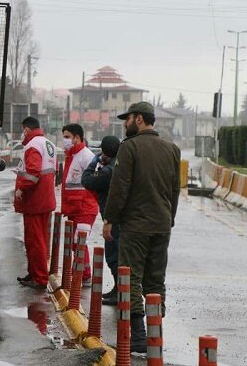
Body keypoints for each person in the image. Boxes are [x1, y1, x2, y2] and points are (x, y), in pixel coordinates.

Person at [102, 102, 180, 353]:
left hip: (135, 226)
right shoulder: (172, 149)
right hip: (161, 225)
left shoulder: (130, 148)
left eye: (127, 119)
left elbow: (119, 187)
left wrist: (109, 218)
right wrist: (169, 218)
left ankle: (138, 336)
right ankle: (155, 334)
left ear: (138, 119)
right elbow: (175, 189)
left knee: (132, 277)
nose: (124, 124)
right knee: (156, 281)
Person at [14, 117, 57, 289]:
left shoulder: (32, 146)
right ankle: (34, 273)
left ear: (26, 129)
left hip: (35, 200)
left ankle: (39, 278)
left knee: (35, 241)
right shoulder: (48, 144)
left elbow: (33, 172)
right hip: (45, 199)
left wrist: (21, 188)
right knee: (37, 240)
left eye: (23, 130)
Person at [81, 135, 121, 305]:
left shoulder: (107, 172)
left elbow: (87, 180)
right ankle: (118, 289)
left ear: (105, 152)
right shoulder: (120, 165)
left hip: (112, 219)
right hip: (122, 217)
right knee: (118, 255)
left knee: (113, 256)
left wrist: (95, 160)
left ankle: (119, 292)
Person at [61, 124, 99, 285]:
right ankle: (83, 273)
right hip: (74, 207)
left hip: (85, 207)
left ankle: (84, 275)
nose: (65, 140)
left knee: (79, 241)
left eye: (68, 137)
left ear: (77, 138)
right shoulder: (72, 156)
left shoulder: (86, 156)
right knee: (75, 243)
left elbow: (95, 181)